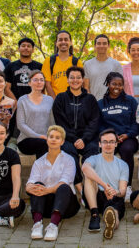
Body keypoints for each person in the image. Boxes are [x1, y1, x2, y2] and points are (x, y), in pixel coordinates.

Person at [26, 126, 81, 241]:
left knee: (63, 186)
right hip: (46, 207)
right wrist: (31, 187)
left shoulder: (69, 160)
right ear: (47, 139)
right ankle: (37, 224)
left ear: (62, 141)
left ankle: (53, 226)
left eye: (57, 137)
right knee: (37, 184)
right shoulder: (39, 162)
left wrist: (46, 190)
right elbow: (30, 183)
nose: (54, 139)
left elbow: (65, 180)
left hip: (67, 206)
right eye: (51, 137)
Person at [53, 66, 100, 194]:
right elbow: (60, 123)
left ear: (83, 80)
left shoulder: (90, 99)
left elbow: (94, 122)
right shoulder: (60, 98)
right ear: (67, 80)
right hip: (68, 138)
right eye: (72, 77)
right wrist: (74, 139)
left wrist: (84, 139)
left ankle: (90, 185)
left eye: (78, 77)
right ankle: (80, 188)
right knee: (68, 153)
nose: (75, 80)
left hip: (87, 138)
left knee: (93, 151)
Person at [83, 129, 130, 239]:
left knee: (115, 210)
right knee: (89, 178)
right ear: (99, 144)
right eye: (105, 142)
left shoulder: (123, 165)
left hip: (113, 197)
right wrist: (105, 186)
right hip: (95, 196)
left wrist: (115, 192)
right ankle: (94, 215)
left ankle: (111, 225)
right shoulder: (93, 159)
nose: (108, 145)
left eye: (111, 141)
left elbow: (123, 191)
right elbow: (85, 168)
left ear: (116, 144)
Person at [98, 72, 139, 192]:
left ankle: (127, 187)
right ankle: (105, 187)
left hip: (128, 138)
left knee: (126, 150)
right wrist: (110, 136)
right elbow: (99, 125)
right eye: (114, 84)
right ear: (108, 84)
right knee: (105, 151)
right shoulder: (101, 104)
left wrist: (127, 135)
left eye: (120, 84)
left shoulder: (130, 101)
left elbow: (136, 122)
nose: (117, 87)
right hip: (108, 138)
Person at [16, 71, 54, 159]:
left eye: (41, 80)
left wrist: (52, 136)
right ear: (29, 83)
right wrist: (38, 136)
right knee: (44, 144)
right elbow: (20, 124)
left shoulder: (49, 100)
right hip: (26, 140)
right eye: (35, 80)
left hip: (46, 139)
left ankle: (40, 172)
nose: (39, 82)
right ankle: (41, 172)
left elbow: (52, 122)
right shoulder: (22, 100)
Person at [43, 30, 83, 97]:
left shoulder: (76, 62)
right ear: (56, 43)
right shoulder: (49, 61)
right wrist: (56, 101)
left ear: (70, 42)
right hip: (54, 101)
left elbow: (81, 83)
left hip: (72, 101)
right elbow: (47, 84)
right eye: (60, 40)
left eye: (66, 39)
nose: (63, 42)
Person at [84, 34, 123, 100]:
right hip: (94, 103)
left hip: (111, 104)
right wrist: (90, 102)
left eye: (104, 43)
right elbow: (86, 87)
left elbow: (120, 86)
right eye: (99, 43)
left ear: (108, 45)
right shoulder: (87, 64)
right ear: (95, 46)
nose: (101, 46)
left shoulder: (116, 64)